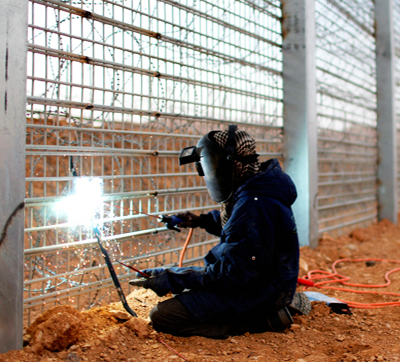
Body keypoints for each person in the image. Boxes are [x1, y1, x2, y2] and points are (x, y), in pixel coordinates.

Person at [130, 125, 306, 338]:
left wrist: (170, 277)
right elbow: (242, 228)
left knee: (163, 315)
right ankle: (267, 309)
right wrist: (202, 221)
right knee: (189, 291)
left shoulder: (254, 204)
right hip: (267, 280)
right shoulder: (257, 188)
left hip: (259, 291)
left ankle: (259, 320)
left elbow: (233, 275)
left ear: (228, 165)